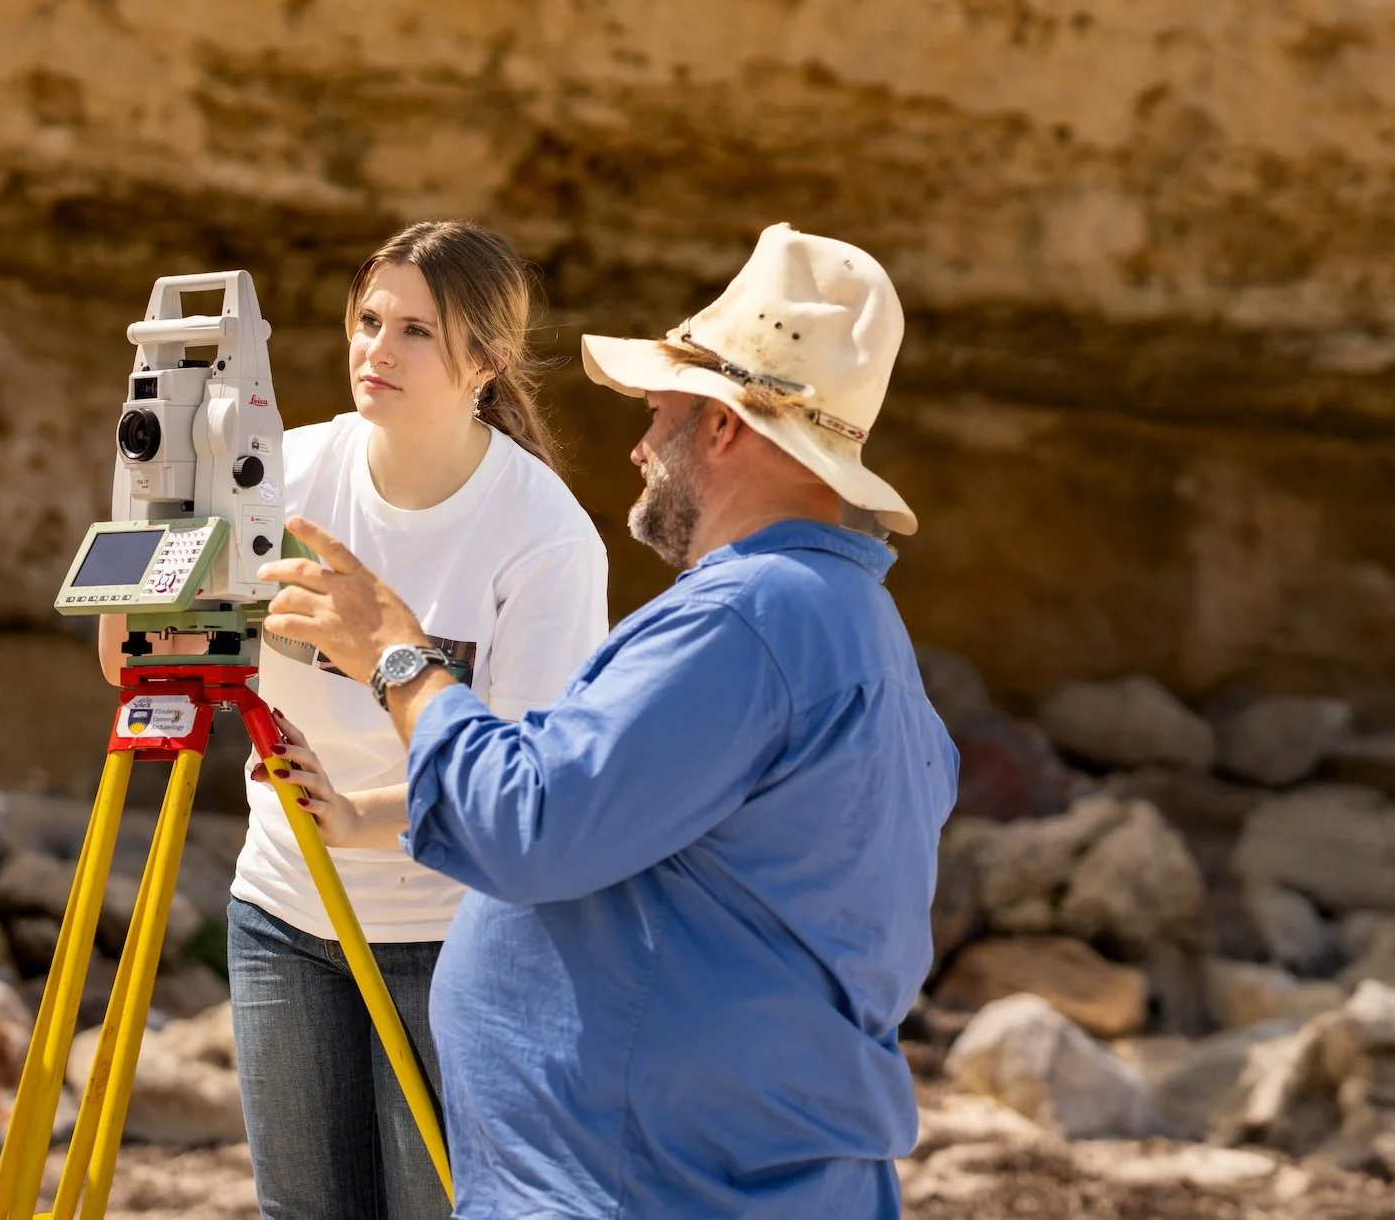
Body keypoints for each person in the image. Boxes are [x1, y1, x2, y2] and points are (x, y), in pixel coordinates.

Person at [260, 223, 959, 1218]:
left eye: (660, 411)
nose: (637, 445)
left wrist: (401, 661)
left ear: (723, 426)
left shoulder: (742, 623)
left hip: (648, 1187)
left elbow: (534, 826)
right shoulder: (853, 625)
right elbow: (634, 822)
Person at [98, 221, 609, 1220]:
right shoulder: (281, 472)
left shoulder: (544, 537)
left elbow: (527, 787)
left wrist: (356, 812)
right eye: (367, 320)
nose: (377, 349)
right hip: (285, 910)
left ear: (485, 362)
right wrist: (153, 515)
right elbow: (129, 661)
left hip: (454, 937)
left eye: (417, 331)